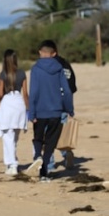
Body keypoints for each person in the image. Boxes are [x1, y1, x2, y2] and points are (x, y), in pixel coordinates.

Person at [25, 42, 74, 182]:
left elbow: (33, 92)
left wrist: (32, 112)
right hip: (56, 112)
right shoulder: (59, 68)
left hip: (40, 112)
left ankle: (37, 158)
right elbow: (67, 92)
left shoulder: (35, 69)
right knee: (51, 143)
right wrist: (69, 109)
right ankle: (44, 174)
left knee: (38, 139)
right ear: (53, 53)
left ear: (40, 52)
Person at [42, 39, 78, 170]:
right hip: (64, 103)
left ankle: (50, 164)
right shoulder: (66, 64)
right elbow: (72, 87)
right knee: (62, 133)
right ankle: (66, 152)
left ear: (52, 53)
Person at [0, 49, 29, 175]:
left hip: (8, 103)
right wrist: (28, 109)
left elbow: (0, 92)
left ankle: (12, 164)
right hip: (19, 103)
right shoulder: (22, 73)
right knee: (15, 137)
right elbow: (25, 93)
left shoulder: (3, 74)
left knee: (8, 136)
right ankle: (12, 162)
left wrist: (3, 102)